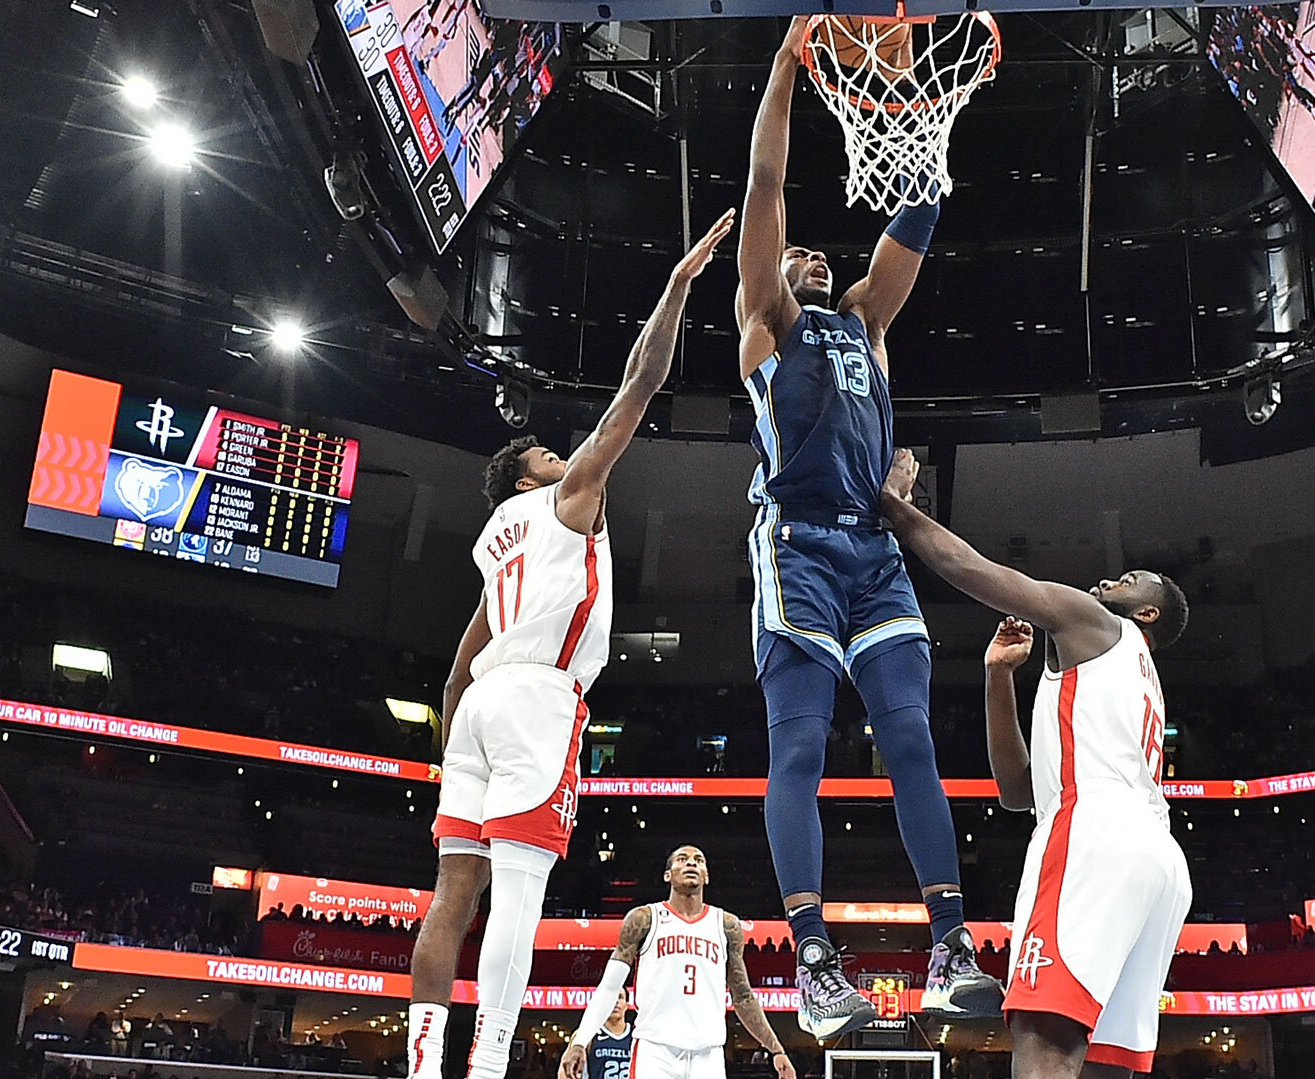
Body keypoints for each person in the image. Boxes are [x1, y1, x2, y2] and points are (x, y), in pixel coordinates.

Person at [404, 211, 735, 1079]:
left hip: (477, 704)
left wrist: (455, 747)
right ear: (526, 475)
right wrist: (676, 287)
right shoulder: (563, 500)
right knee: (518, 895)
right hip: (538, 701)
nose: (563, 455)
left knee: (452, 898)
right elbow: (638, 385)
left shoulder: (492, 542)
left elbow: (455, 667)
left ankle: (422, 1063)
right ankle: (488, 1063)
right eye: (547, 452)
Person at [732, 18, 1000, 1037]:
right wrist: (786, 71)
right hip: (796, 542)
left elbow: (922, 201)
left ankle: (948, 946)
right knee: (796, 750)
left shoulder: (868, 321)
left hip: (876, 549)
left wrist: (908, 92)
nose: (805, 252)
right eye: (793, 249)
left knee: (912, 742)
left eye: (813, 248)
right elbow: (765, 187)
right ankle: (812, 958)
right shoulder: (768, 320)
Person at [876, 449, 1193, 1079]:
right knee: (1105, 1064)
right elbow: (1018, 793)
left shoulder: (1095, 622)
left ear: (1149, 612)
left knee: (1042, 1037)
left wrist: (894, 505)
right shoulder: (1129, 671)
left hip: (1091, 833)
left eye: (1131, 580)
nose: (1109, 583)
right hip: (1154, 859)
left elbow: (972, 569)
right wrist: (999, 680)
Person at [561, 847, 797, 1079]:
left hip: (709, 1055)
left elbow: (743, 996)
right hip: (655, 1052)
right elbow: (610, 987)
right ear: (668, 874)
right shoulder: (644, 919)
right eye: (682, 859)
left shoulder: (726, 925)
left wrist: (776, 1049)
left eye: (699, 860)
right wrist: (580, 1042)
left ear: (706, 875)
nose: (691, 863)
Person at [580, 989, 633, 1079]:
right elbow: (565, 1073)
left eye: (620, 997)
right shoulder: (589, 1035)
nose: (616, 1001)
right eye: (611, 997)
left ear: (626, 1004)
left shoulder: (637, 1035)